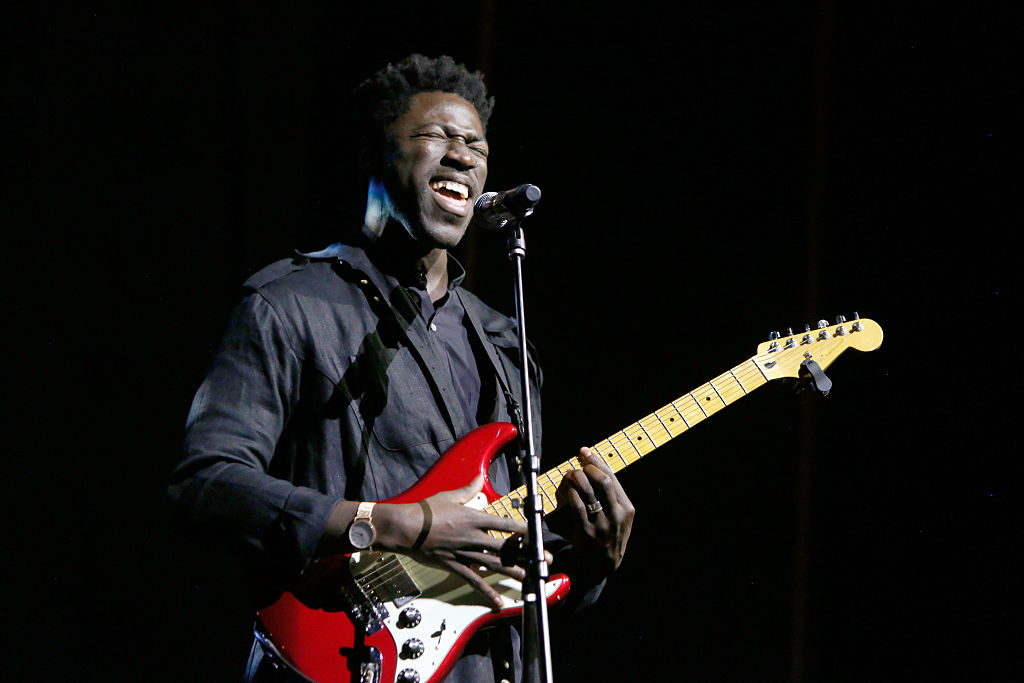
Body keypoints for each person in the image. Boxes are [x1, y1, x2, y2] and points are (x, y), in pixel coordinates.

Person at [169, 54, 634, 683]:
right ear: (374, 155)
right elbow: (208, 484)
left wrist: (591, 565)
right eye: (436, 136)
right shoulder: (290, 304)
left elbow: (515, 575)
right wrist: (395, 524)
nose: (462, 155)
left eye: (475, 144)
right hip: (334, 658)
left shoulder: (504, 345)